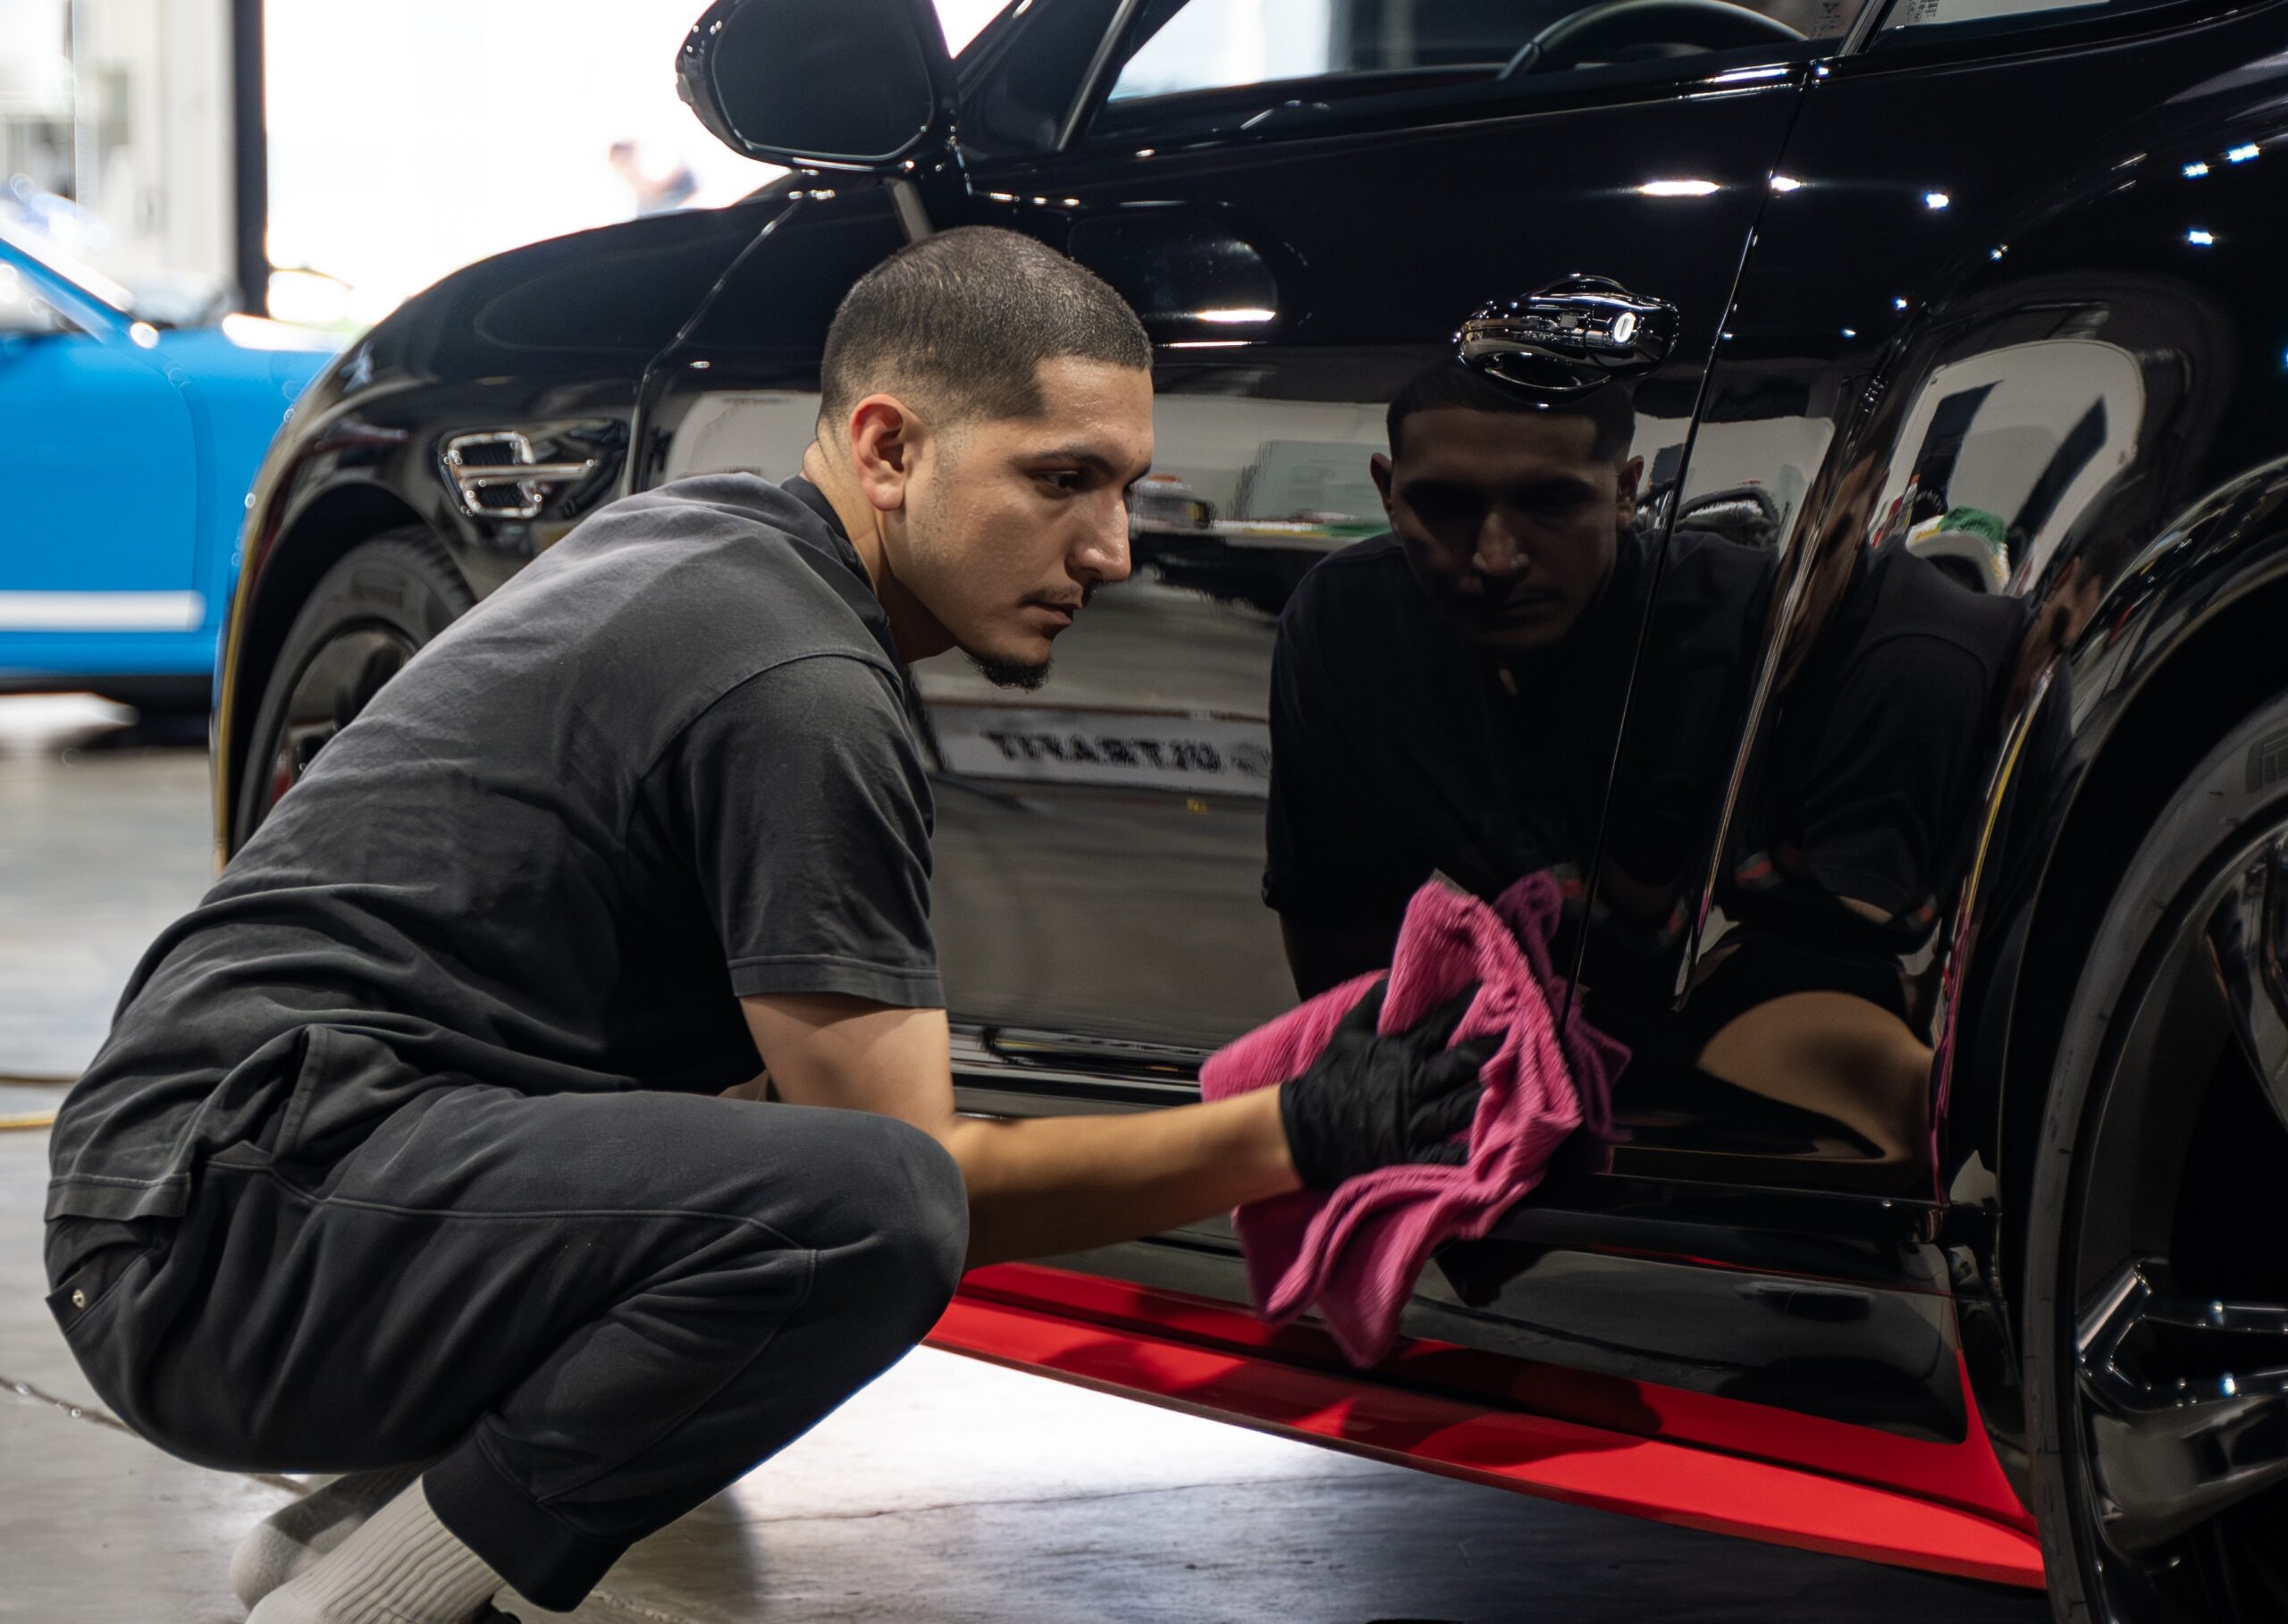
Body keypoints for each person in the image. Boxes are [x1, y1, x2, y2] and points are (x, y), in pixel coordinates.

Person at [41, 227, 1488, 1624]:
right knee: (869, 1209)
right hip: (217, 1240)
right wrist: (1292, 1131)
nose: (1110, 549)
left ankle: (347, 1525)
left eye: (1123, 489)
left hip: (201, 1190)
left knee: (757, 1146)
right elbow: (925, 1181)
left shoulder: (710, 541)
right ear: (887, 446)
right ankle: (376, 1600)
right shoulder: (799, 679)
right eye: (1060, 480)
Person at [1264, 359, 1770, 1001]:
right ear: (1388, 493)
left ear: (1624, 493)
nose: (1496, 558)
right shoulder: (1353, 624)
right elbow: (1345, 973)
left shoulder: (1742, 622)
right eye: (1445, 505)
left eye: (1550, 502)